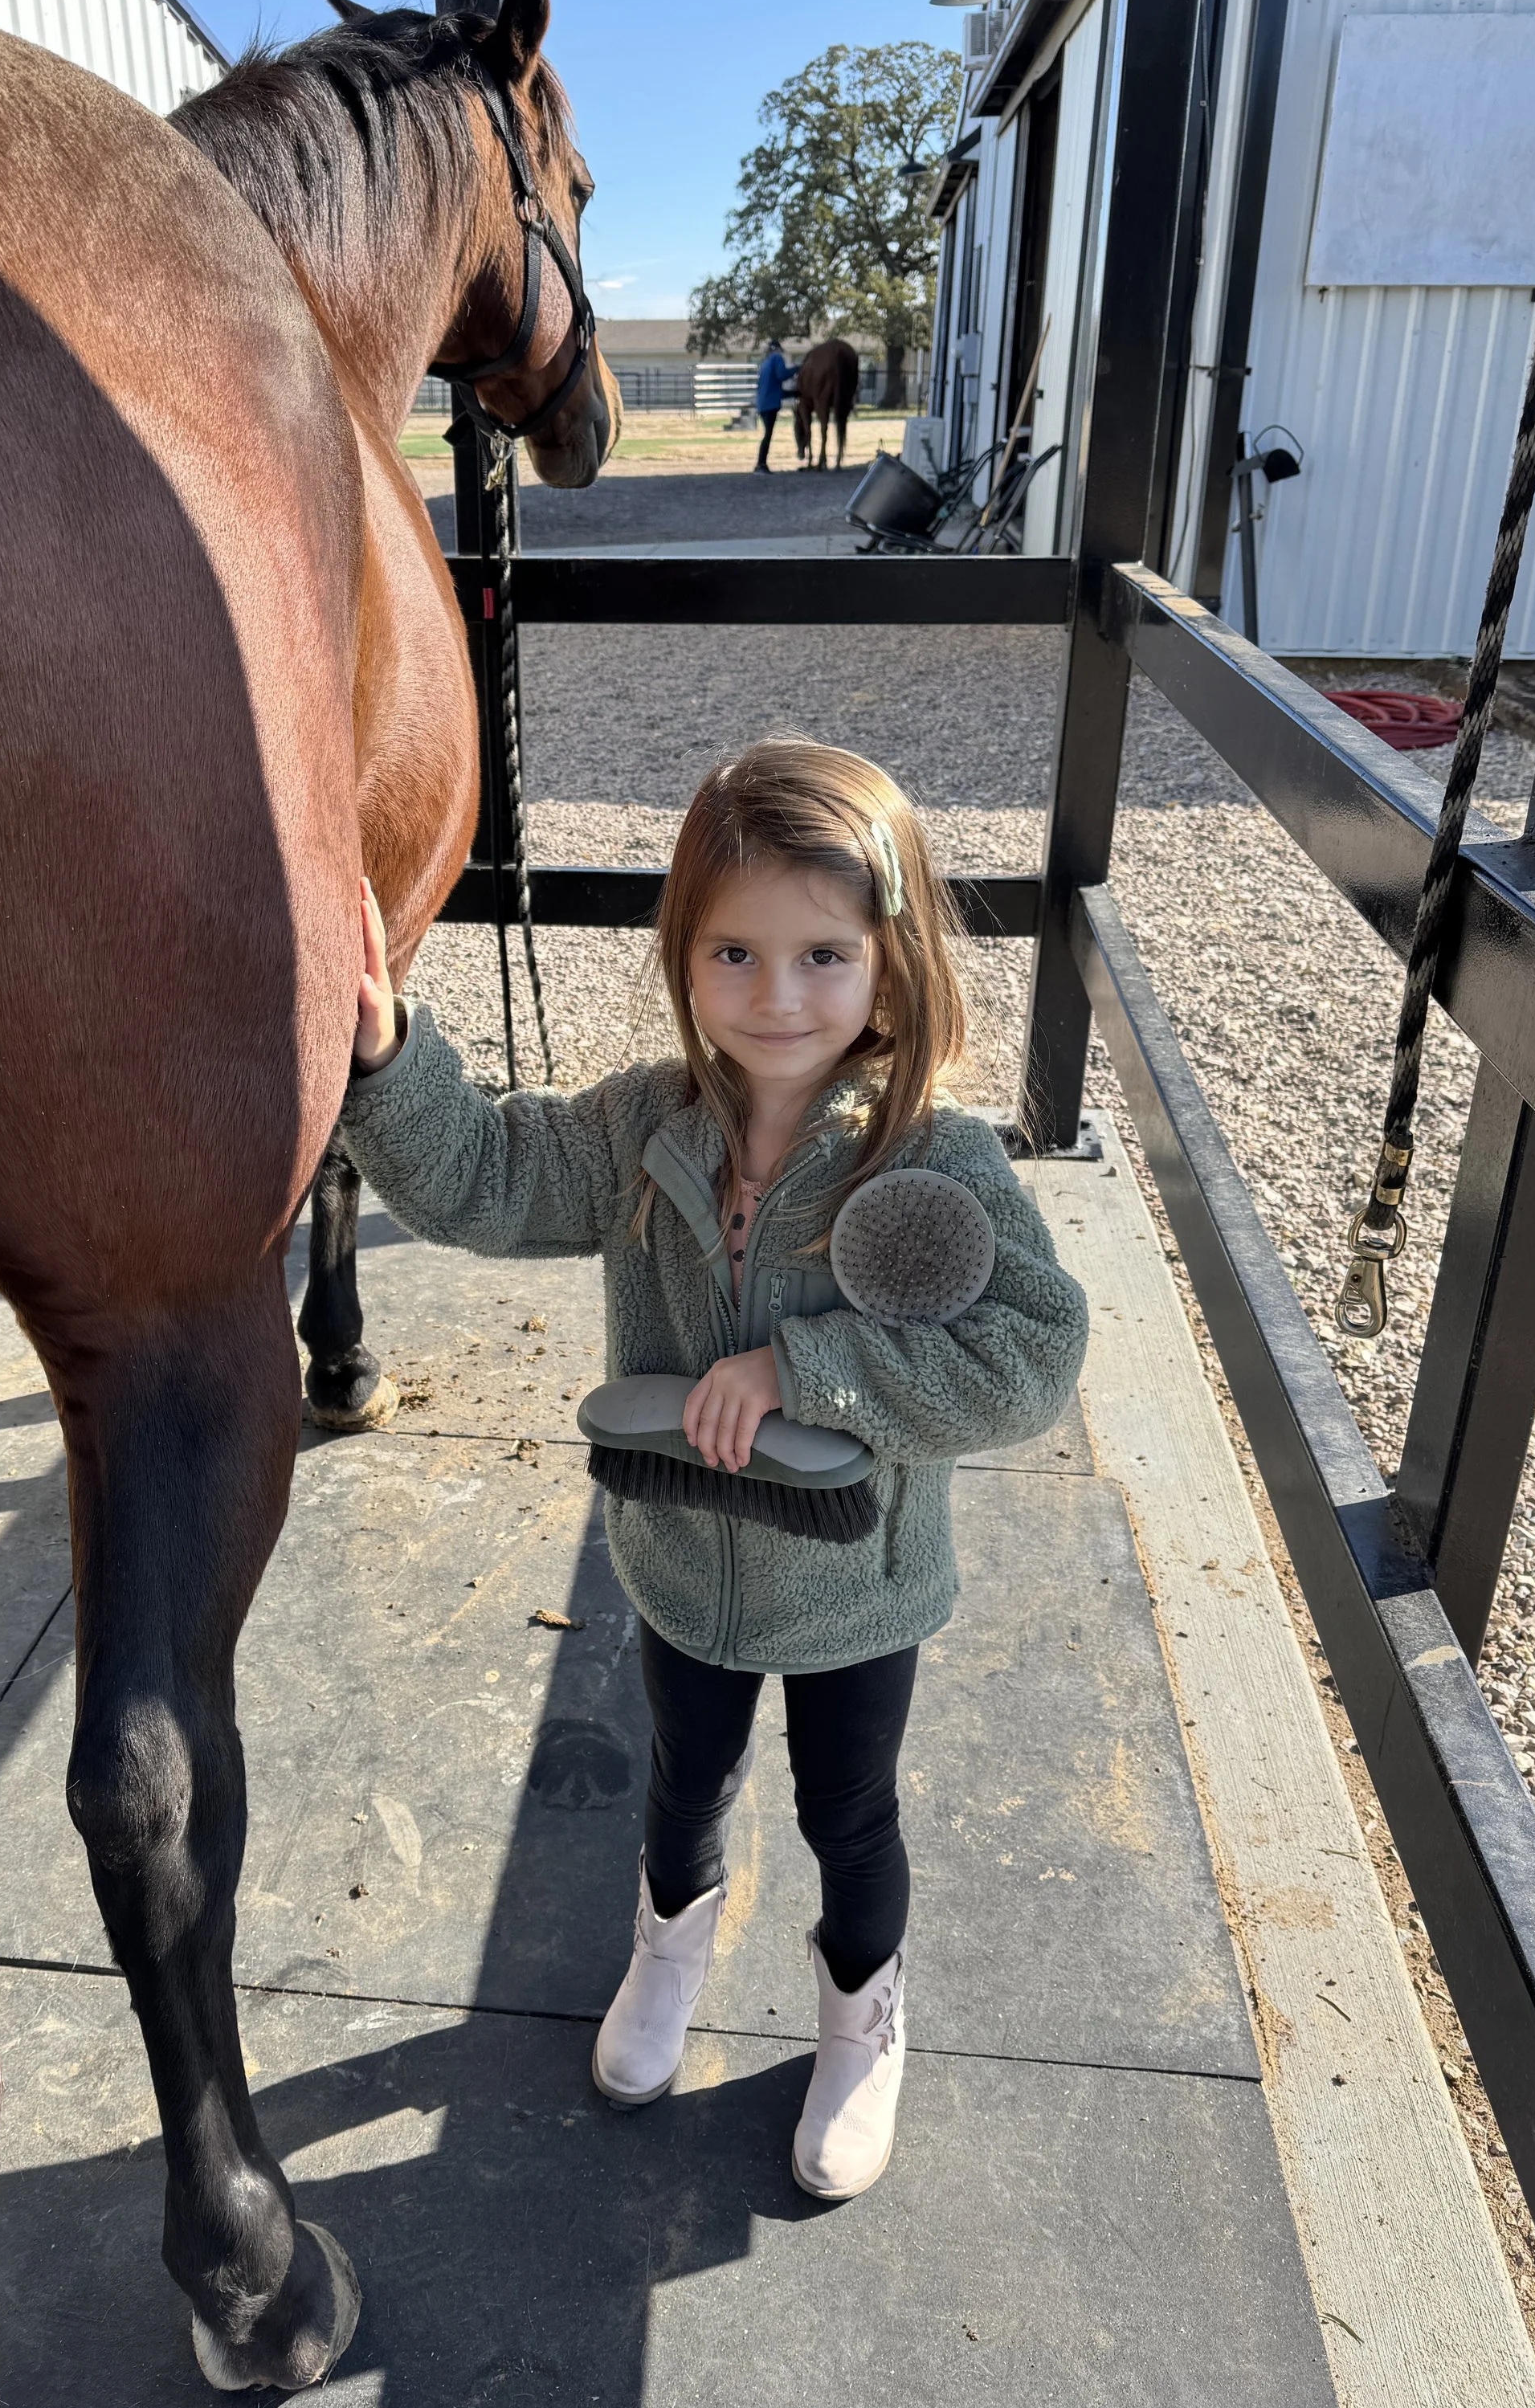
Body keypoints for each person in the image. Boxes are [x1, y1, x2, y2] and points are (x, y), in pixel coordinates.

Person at [342, 740, 1088, 2199]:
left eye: (823, 953)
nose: (778, 994)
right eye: (734, 950)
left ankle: (862, 2018)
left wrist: (811, 1369)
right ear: (684, 951)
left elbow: (1033, 1353)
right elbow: (486, 1177)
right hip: (685, 1564)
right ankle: (668, 1953)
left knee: (846, 1810)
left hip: (859, 1589)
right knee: (683, 1782)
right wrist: (386, 1056)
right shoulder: (639, 1131)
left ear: (890, 956)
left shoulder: (924, 1160)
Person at [753, 337, 794, 472]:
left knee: (767, 433)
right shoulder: (777, 359)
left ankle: (761, 464)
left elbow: (773, 387)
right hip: (770, 405)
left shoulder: (765, 364)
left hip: (763, 404)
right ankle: (761, 464)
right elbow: (782, 375)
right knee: (768, 434)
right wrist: (797, 369)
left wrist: (795, 393)